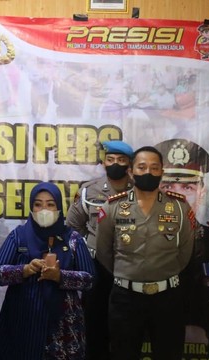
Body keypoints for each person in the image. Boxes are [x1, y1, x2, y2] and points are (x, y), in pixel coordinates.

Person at [96, 146, 195, 360]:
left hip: (167, 298)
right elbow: (103, 251)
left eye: (154, 167)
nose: (148, 172)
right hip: (125, 299)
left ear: (162, 172)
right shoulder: (113, 206)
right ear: (131, 171)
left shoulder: (179, 206)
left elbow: (185, 250)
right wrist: (127, 273)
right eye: (142, 167)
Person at [0, 182, 95, 360]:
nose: (44, 209)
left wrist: (60, 276)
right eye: (38, 204)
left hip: (64, 325)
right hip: (24, 319)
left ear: (59, 207)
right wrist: (24, 269)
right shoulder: (19, 236)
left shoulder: (72, 238)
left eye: (50, 204)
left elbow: (89, 279)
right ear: (31, 207)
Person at [155, 138, 209, 346]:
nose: (177, 194)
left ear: (202, 193)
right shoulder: (141, 239)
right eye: (167, 185)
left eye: (188, 187)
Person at [66, 140, 133, 360]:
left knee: (127, 326)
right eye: (111, 160)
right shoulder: (90, 190)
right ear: (104, 162)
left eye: (121, 160)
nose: (115, 164)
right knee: (95, 324)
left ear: (129, 164)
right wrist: (91, 244)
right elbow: (73, 225)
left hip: (130, 265)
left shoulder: (141, 190)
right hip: (97, 267)